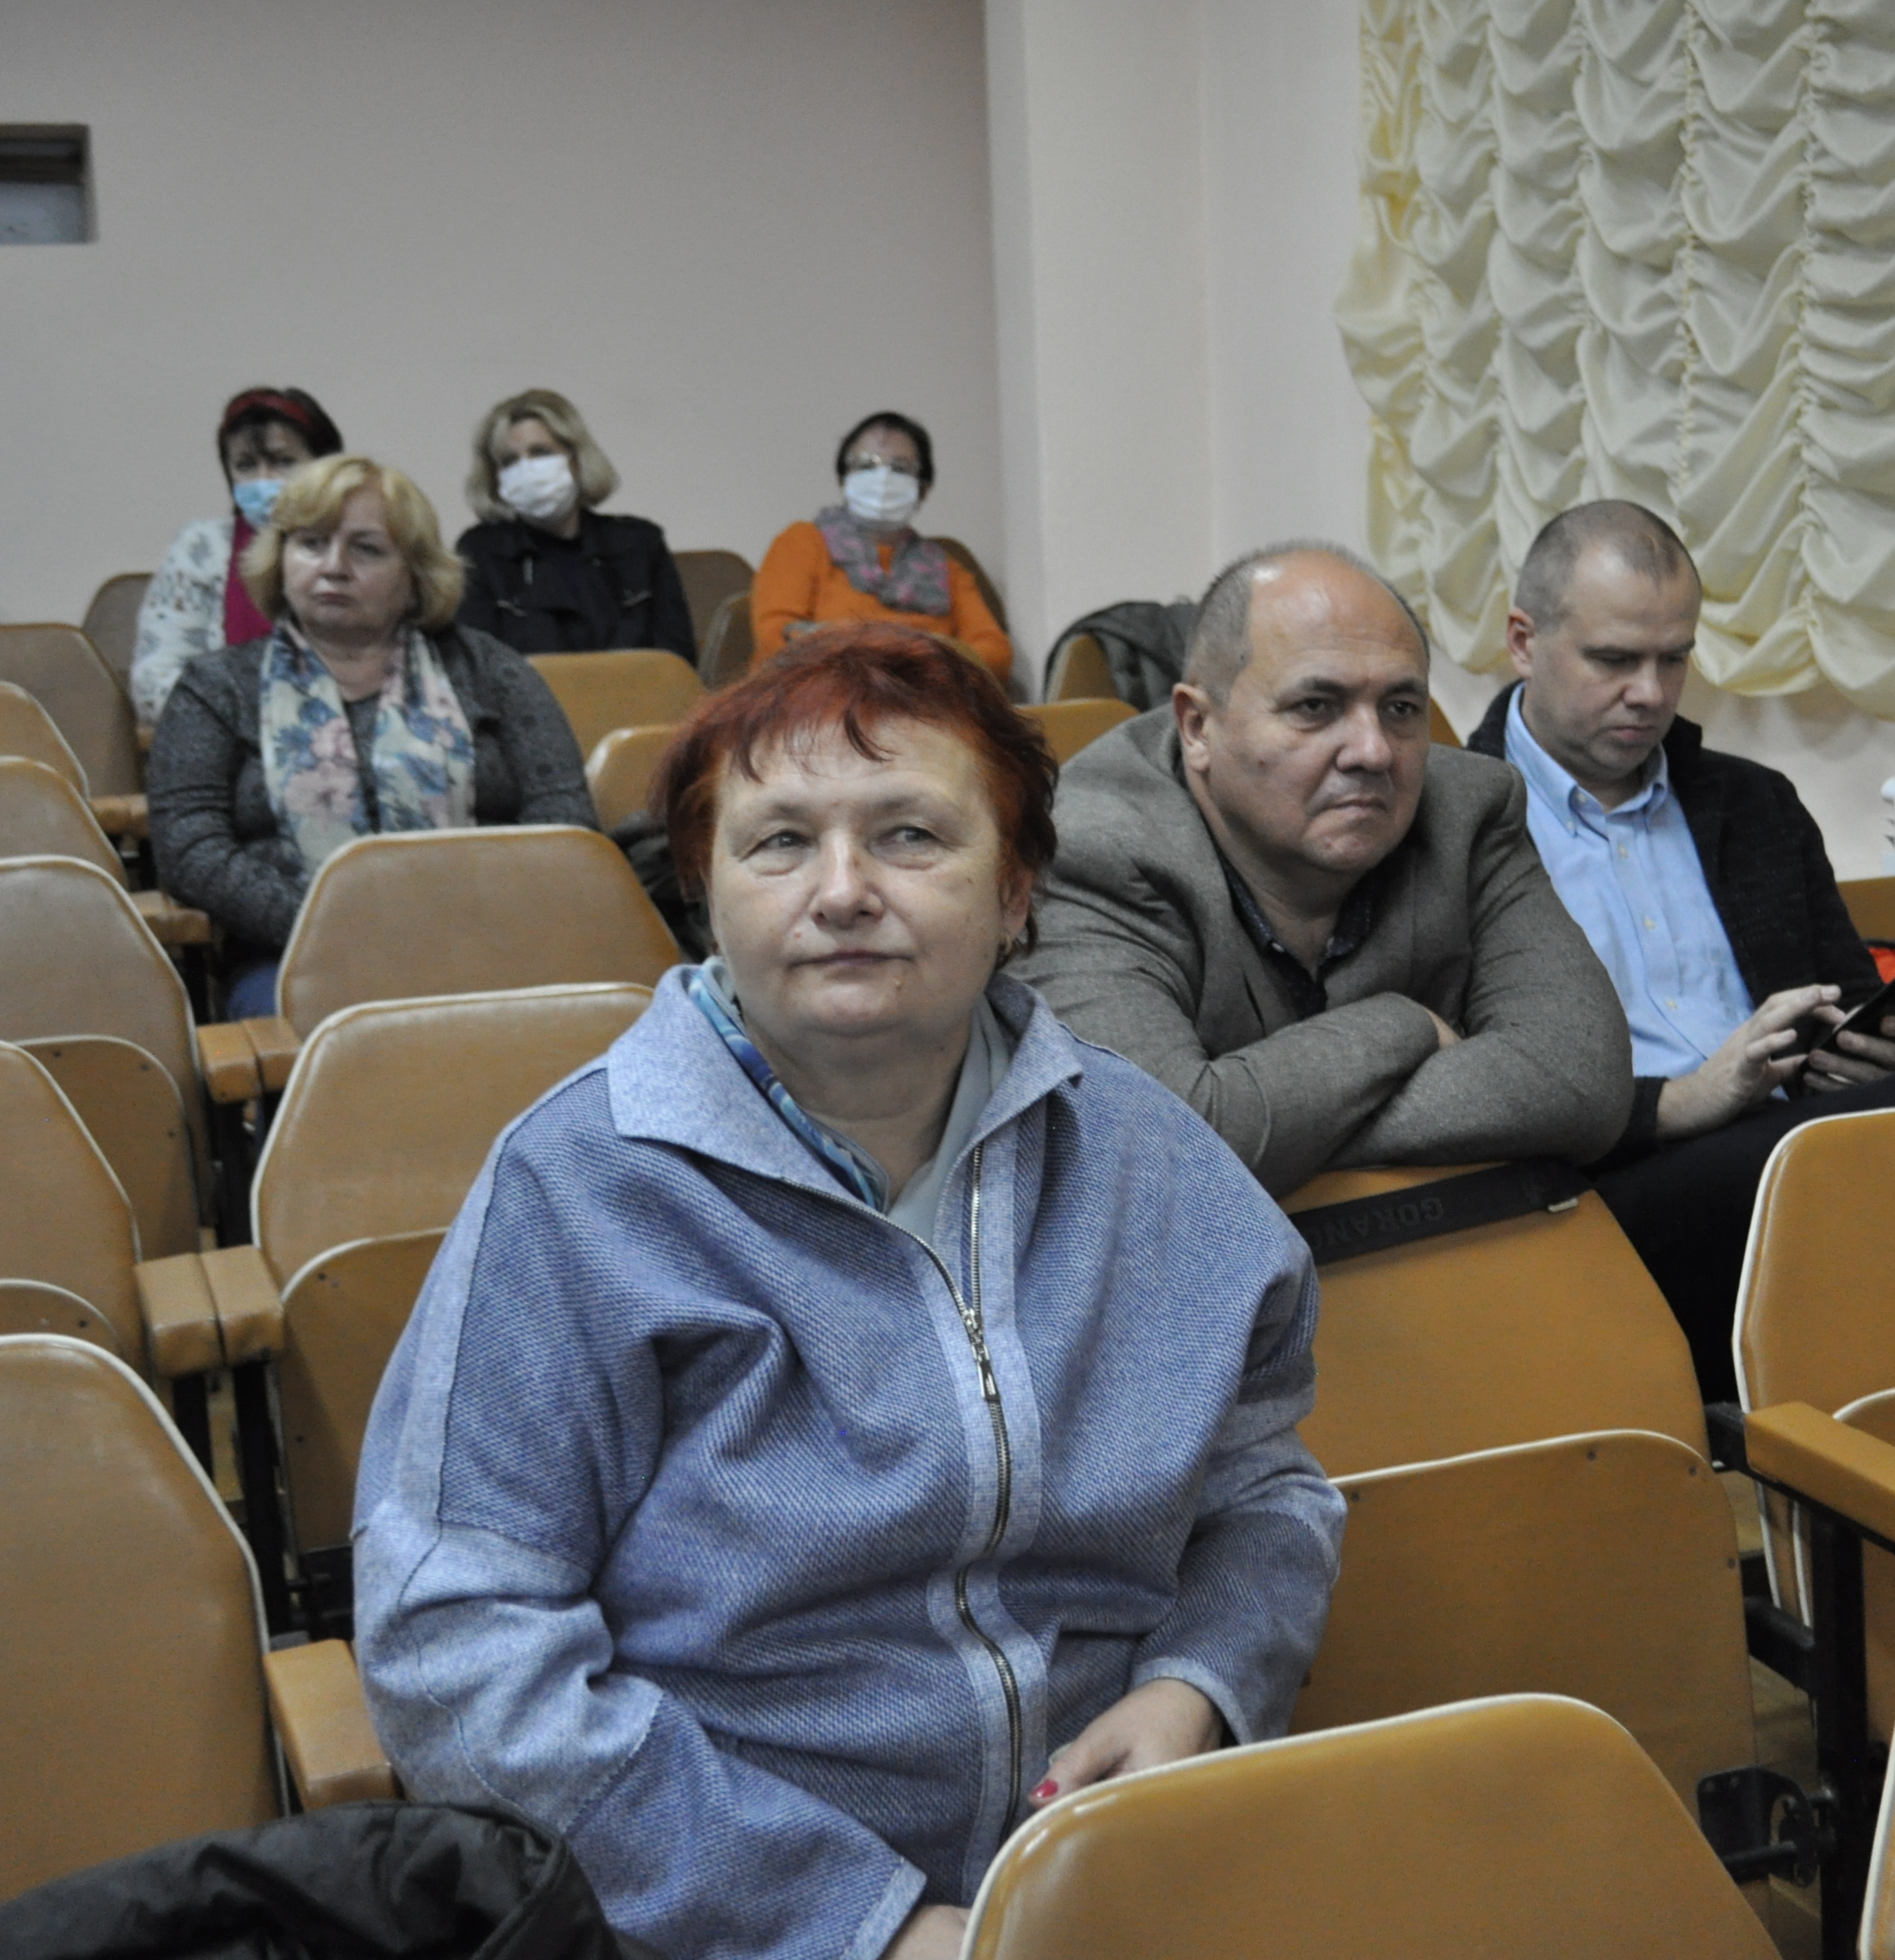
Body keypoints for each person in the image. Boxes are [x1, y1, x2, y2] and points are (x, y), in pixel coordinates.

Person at [352, 625, 1344, 1960]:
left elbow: (1265, 1492)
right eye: (778, 842)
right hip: (720, 1916)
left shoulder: (1144, 1154)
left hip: (1116, 1876)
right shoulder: (578, 1187)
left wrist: (1199, 1684)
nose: (842, 891)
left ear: (1017, 891)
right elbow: (458, 1644)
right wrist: (852, 1921)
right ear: (706, 892)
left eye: (910, 835)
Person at [1471, 501, 1895, 1394]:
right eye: (1614, 659)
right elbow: (1474, 1088)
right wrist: (1682, 1102)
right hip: (1597, 1190)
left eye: (1674, 659)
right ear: (1524, 643)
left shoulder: (1756, 804)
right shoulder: (1453, 825)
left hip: (1786, 1147)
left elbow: (1844, 994)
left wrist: (1862, 1057)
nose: (1650, 692)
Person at [1014, 541, 1633, 1196]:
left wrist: (1268, 1133)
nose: (1372, 751)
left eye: (1401, 708)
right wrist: (1404, 1025)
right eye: (1315, 706)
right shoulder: (1089, 850)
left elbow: (1582, 1080)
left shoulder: (1468, 808)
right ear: (1197, 727)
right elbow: (1151, 1154)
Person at [145, 456, 595, 1017]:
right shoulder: (217, 686)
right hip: (298, 956)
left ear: (415, 576)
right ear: (280, 560)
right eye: (312, 543)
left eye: (366, 549)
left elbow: (565, 819)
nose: (334, 567)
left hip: (494, 945)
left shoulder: (490, 670)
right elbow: (190, 848)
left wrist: (482, 924)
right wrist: (332, 925)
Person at [131, 387, 345, 723]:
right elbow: (153, 684)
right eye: (246, 465)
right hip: (227, 736)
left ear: (325, 466)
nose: (263, 479)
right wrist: (253, 718)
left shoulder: (356, 551)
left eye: (283, 462)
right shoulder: (203, 547)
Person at [753, 412, 1013, 682]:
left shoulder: (945, 569)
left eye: (900, 468)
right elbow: (776, 637)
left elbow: (995, 653)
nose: (883, 479)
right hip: (818, 695)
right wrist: (902, 658)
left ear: (923, 488)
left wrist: (918, 670)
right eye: (866, 465)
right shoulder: (802, 543)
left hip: (924, 697)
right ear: (844, 479)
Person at [453, 387, 697, 661]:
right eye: (509, 461)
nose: (527, 470)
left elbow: (678, 662)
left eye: (540, 452)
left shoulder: (639, 544)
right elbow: (475, 668)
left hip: (637, 690)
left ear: (577, 459)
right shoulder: (482, 552)